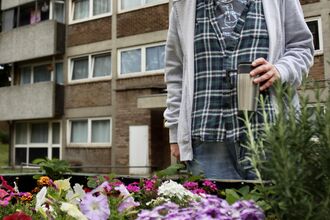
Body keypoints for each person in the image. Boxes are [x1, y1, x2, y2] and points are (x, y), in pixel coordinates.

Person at [163, 0, 314, 179]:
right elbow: (175, 73)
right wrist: (175, 133)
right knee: (210, 207)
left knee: (274, 206)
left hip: (270, 136)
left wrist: (280, 70)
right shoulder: (183, 6)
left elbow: (301, 47)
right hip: (206, 138)